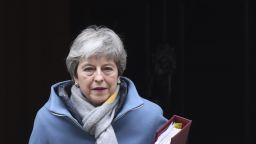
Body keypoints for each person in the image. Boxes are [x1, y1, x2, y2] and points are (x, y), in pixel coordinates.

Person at [29, 25, 167, 144]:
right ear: (75, 76)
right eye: (89, 69)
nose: (99, 77)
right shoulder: (48, 120)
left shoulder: (150, 117)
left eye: (107, 68)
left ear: (119, 74)